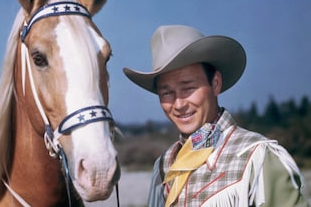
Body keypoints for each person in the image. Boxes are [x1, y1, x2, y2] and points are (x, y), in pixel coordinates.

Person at [123, 25, 309, 207]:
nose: (179, 104)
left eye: (188, 88)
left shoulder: (255, 157)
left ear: (215, 83)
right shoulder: (164, 166)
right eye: (167, 93)